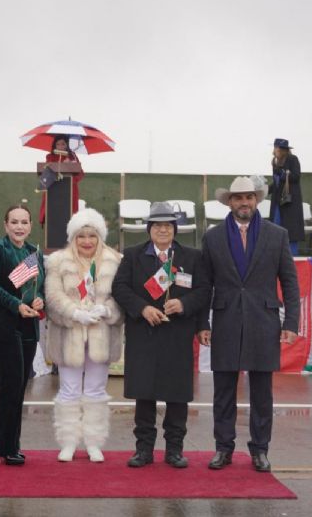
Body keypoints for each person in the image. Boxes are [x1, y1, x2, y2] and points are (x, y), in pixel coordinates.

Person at [198, 176, 300, 473]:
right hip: (226, 320)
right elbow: (205, 284)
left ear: (257, 200)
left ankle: (260, 450)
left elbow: (290, 283)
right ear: (229, 202)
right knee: (223, 391)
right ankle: (223, 448)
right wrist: (203, 322)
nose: (244, 202)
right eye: (238, 198)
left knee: (261, 393)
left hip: (263, 321)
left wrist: (291, 321)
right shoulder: (213, 237)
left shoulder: (276, 235)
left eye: (249, 197)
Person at [112, 201, 209, 469]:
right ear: (149, 229)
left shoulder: (192, 257)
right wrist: (142, 308)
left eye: (168, 225)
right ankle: (143, 449)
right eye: (157, 225)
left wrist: (184, 304)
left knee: (177, 395)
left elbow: (203, 291)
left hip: (178, 335)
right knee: (145, 394)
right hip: (144, 334)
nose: (163, 230)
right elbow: (119, 288)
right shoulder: (132, 255)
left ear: (175, 229)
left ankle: (174, 449)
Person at [44, 208, 123, 463]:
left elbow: (120, 297)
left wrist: (107, 309)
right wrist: (75, 313)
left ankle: (93, 442)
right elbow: (53, 296)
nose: (87, 241)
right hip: (70, 336)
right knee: (68, 390)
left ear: (100, 237)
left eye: (92, 235)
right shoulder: (58, 261)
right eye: (81, 236)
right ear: (73, 237)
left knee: (96, 390)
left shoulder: (115, 260)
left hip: (101, 335)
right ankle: (68, 442)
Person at [0, 204, 45, 465]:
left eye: (24, 222)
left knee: (19, 386)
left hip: (28, 325)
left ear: (30, 225)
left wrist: (38, 301)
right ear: (6, 225)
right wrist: (16, 305)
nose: (19, 227)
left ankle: (8, 444)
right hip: (2, 326)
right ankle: (8, 447)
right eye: (14, 222)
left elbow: (40, 287)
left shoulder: (33, 253)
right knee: (11, 384)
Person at [269, 138, 304, 256]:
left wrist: (282, 173)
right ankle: (276, 256)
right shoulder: (275, 162)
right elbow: (276, 182)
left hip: (290, 202)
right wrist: (265, 189)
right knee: (275, 227)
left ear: (282, 150)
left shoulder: (293, 159)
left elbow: (296, 177)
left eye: (276, 148)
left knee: (291, 230)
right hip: (277, 202)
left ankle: (292, 256)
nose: (274, 150)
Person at [38, 136, 84, 225]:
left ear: (67, 145)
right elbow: (46, 174)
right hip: (53, 192)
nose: (60, 146)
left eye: (63, 144)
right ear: (54, 146)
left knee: (69, 218)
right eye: (58, 144)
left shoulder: (72, 156)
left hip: (69, 191)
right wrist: (61, 165)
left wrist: (71, 165)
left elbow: (80, 174)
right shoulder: (50, 157)